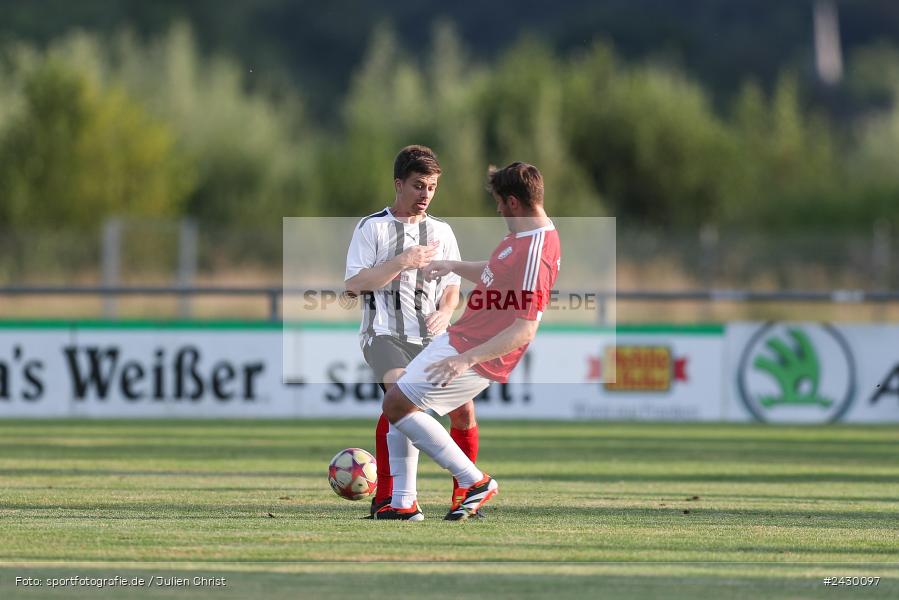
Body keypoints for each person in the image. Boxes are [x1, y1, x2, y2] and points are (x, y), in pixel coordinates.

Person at [378, 161, 561, 521]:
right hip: (465, 336)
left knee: (397, 405)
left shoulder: (537, 250)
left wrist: (467, 359)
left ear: (512, 202)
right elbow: (496, 274)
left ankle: (474, 481)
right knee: (400, 405)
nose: (496, 209)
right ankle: (402, 505)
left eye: (497, 201)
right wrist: (453, 266)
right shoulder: (524, 235)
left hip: (477, 348)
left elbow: (525, 328)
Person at [344, 145, 481, 517]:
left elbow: (452, 286)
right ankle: (394, 498)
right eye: (419, 186)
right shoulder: (372, 227)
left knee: (463, 413)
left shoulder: (441, 231)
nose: (426, 195)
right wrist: (402, 261)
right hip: (384, 334)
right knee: (402, 401)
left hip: (432, 337)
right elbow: (355, 285)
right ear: (398, 184)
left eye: (432, 187)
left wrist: (447, 309)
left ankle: (464, 498)